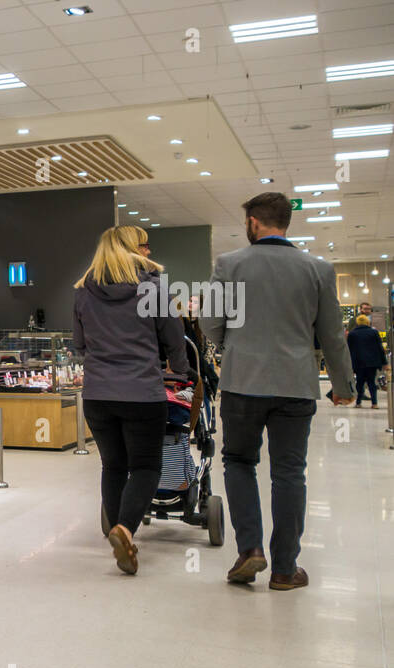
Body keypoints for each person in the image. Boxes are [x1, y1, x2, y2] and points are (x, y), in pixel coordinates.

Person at [204, 192, 355, 591]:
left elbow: (210, 322)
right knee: (289, 472)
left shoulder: (230, 264)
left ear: (253, 222)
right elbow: (332, 336)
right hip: (295, 384)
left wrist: (229, 346)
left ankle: (250, 549)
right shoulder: (318, 269)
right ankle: (286, 569)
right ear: (285, 222)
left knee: (238, 462)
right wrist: (343, 386)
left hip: (242, 383)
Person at [73, 225, 190, 575]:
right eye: (145, 244)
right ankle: (125, 528)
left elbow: (79, 345)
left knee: (113, 465)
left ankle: (114, 529)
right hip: (141, 392)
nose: (149, 250)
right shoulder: (153, 287)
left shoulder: (82, 291)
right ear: (133, 249)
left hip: (97, 394)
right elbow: (174, 337)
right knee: (145, 467)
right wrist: (181, 371)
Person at [347, 308, 388, 407]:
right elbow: (380, 348)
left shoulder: (352, 334)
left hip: (358, 362)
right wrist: (384, 362)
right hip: (372, 362)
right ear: (367, 322)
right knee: (372, 382)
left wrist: (349, 364)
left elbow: (349, 350)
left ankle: (358, 403)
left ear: (357, 322)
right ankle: (374, 403)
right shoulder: (374, 332)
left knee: (359, 382)